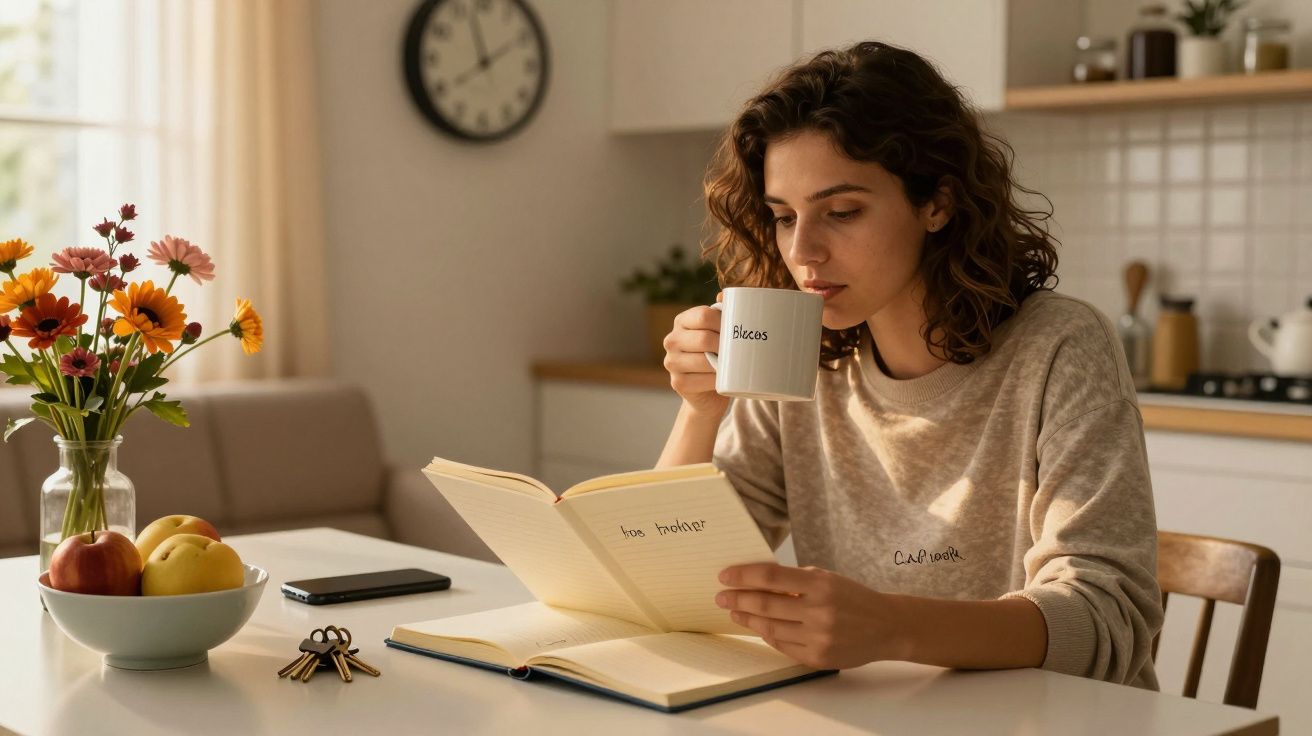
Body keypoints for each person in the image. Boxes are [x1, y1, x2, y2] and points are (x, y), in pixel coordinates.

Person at [657, 41, 1162, 688]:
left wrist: (894, 627)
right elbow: (673, 579)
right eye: (784, 217)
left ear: (937, 203)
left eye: (841, 212)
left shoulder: (1059, 347)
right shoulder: (796, 356)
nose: (803, 251)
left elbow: (1102, 617)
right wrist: (700, 413)